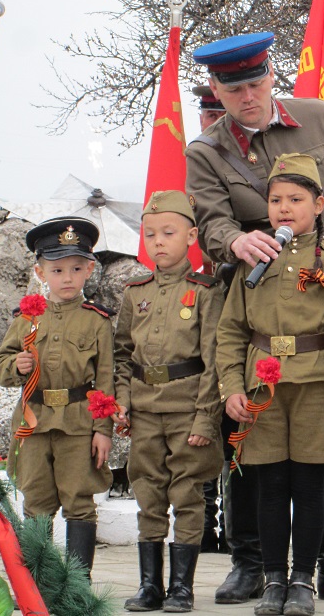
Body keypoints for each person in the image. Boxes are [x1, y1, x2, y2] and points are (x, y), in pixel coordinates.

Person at [186, 32, 324, 604]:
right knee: (251, 442)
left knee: (323, 448)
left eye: (256, 83)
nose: (248, 96)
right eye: (233, 88)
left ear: (273, 78)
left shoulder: (318, 118)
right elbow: (212, 221)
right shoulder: (207, 151)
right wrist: (236, 243)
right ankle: (250, 562)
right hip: (249, 294)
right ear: (216, 89)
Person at [217, 153, 324, 616]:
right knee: (270, 486)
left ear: (319, 204)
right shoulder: (252, 261)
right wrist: (230, 387)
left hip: (317, 383)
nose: (284, 208)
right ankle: (273, 579)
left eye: (296, 199)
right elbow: (231, 331)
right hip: (263, 387)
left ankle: (304, 579)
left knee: (311, 485)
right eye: (276, 199)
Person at [116, 190, 225, 612]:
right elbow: (122, 353)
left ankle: (182, 588)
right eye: (150, 234)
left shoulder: (204, 290)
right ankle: (149, 587)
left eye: (168, 232)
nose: (157, 241)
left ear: (191, 235)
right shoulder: (134, 292)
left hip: (186, 410)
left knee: (187, 496)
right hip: (144, 410)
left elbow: (214, 360)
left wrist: (204, 418)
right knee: (149, 495)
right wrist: (123, 400)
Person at [0, 217, 114, 581]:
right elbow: (0, 367)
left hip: (78, 423)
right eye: (57, 269)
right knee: (37, 503)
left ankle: (77, 583)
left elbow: (106, 377)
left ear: (89, 270)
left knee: (79, 501)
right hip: (34, 421)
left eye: (76, 269)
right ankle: (37, 584)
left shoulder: (97, 321)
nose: (67, 277)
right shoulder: (27, 318)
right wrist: (17, 363)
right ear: (40, 272)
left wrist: (103, 429)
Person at [192, 81, 228, 555]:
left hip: (234, 293)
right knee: (199, 425)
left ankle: (237, 533)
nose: (212, 121)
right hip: (194, 303)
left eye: (218, 113)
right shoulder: (192, 164)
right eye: (207, 114)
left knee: (233, 423)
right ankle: (201, 529)